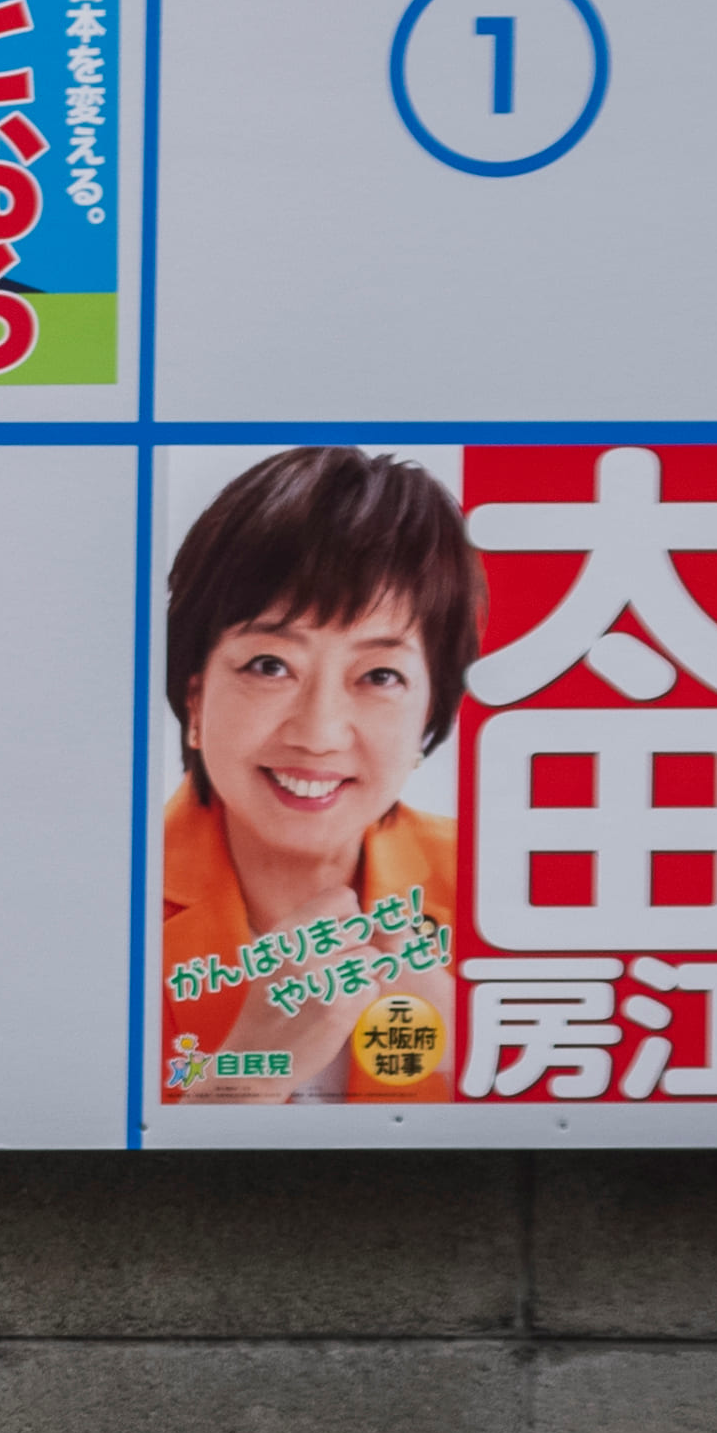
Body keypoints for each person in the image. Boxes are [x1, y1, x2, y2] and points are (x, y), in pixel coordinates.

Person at [158, 445, 481, 1105]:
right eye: (270, 665)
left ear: (430, 713)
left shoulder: (504, 897)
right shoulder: (97, 899)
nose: (318, 733)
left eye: (380, 676)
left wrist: (478, 1064)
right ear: (195, 697)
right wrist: (239, 1081)